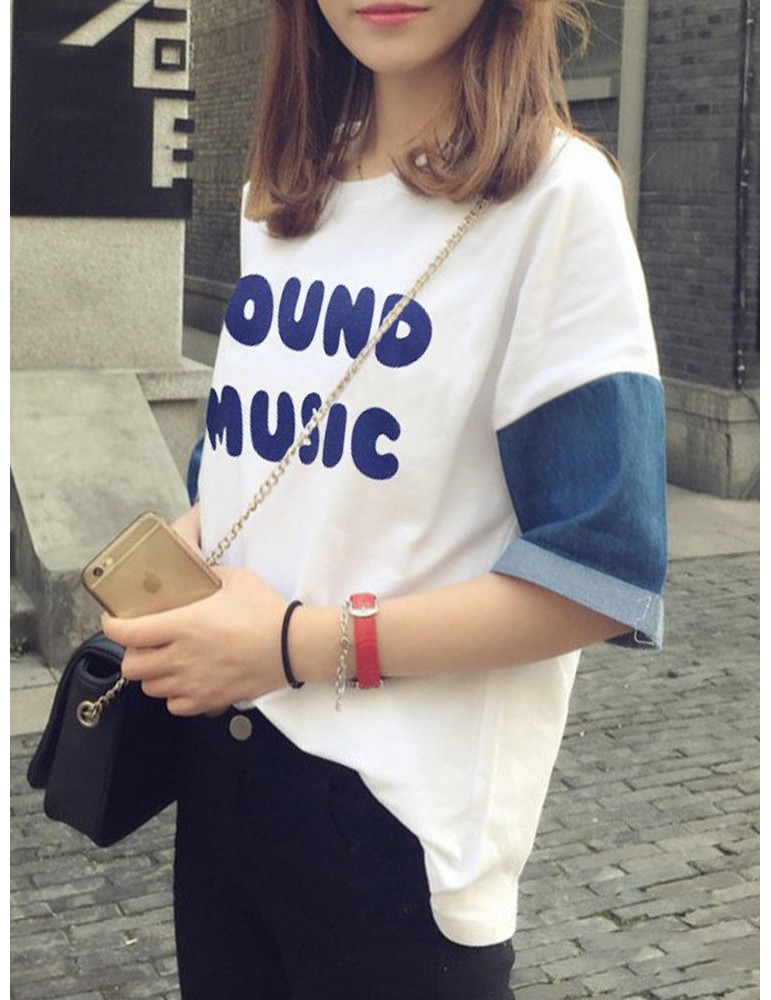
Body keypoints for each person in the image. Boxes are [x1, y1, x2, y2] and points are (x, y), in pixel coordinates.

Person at [102, 1, 668, 997]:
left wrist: (290, 644)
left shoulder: (554, 198)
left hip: (400, 819)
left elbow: (600, 574)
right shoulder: (283, 189)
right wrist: (172, 557)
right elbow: (252, 461)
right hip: (224, 768)